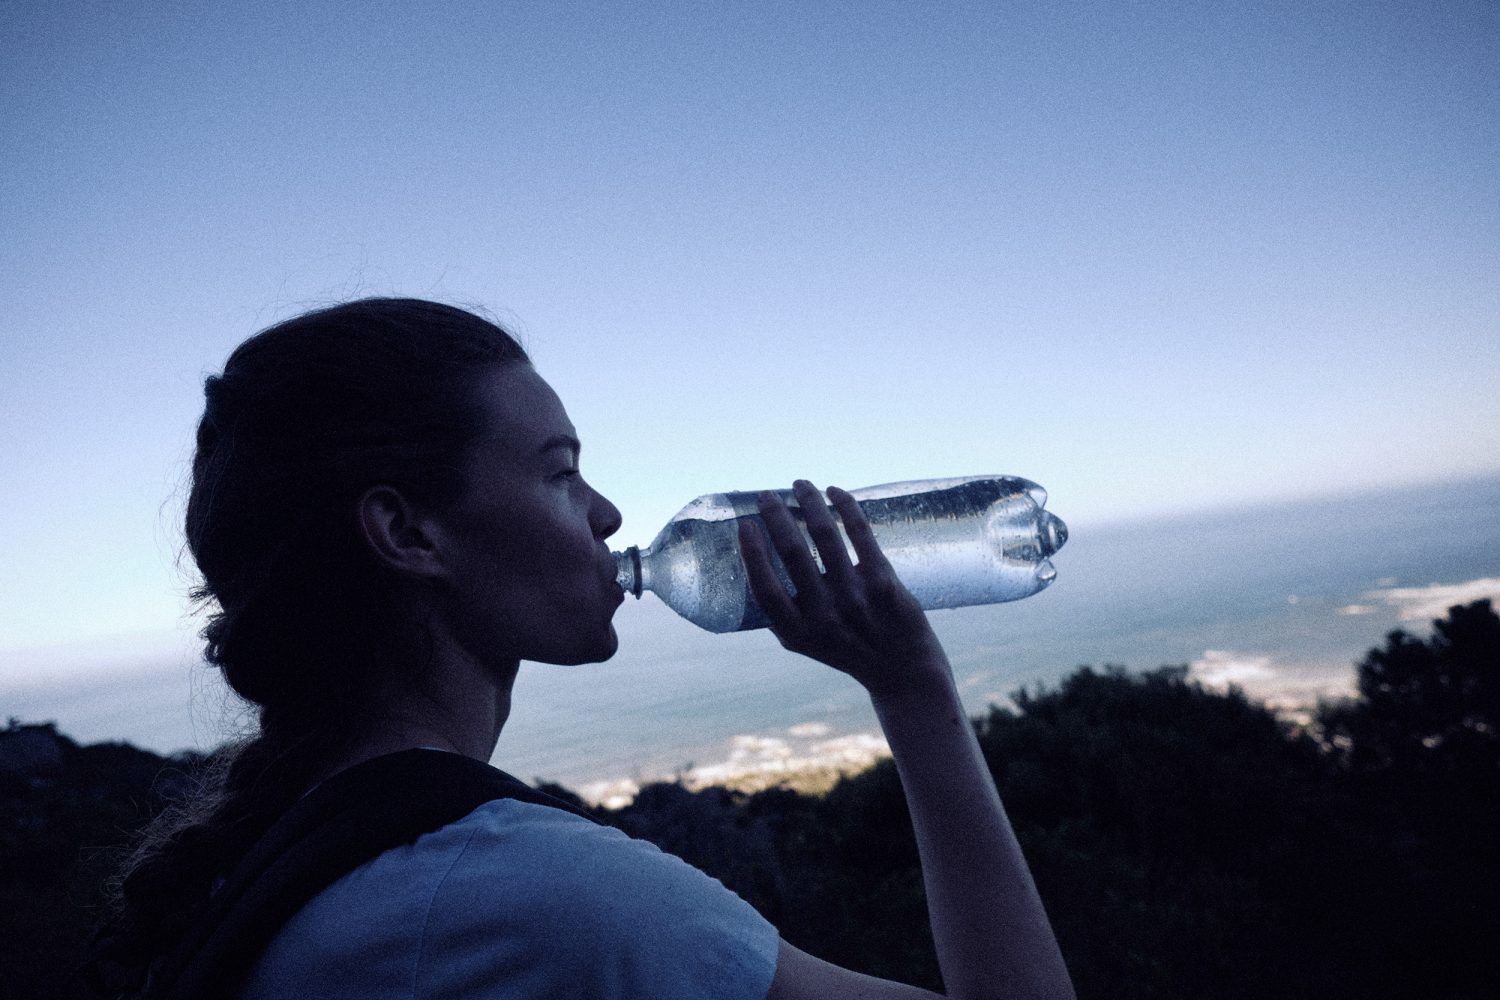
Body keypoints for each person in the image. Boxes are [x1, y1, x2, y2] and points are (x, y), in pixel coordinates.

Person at [94, 298, 1075, 999]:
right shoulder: (541, 900)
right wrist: (913, 687)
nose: (606, 513)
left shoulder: (269, 858)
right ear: (409, 534)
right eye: (561, 474)